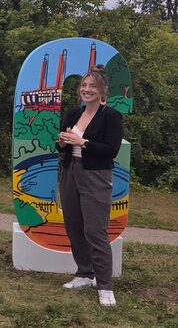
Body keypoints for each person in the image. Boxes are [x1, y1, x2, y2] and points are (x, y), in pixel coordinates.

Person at [57, 65, 123, 307]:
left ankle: (105, 286)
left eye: (92, 86)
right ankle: (84, 273)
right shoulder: (74, 114)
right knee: (74, 225)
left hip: (96, 175)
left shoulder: (111, 116)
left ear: (102, 90)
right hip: (70, 172)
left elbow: (111, 150)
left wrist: (82, 141)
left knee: (95, 231)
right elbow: (62, 144)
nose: (87, 90)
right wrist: (63, 142)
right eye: (84, 86)